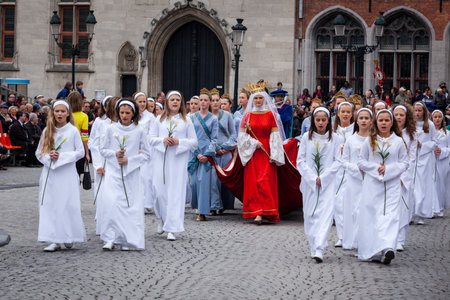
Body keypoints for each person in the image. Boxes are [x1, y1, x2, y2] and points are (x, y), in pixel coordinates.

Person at [357, 109, 408, 264]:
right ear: (376, 123)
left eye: (387, 120)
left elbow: (405, 163)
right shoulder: (369, 141)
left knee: (390, 215)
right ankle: (376, 250)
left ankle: (388, 247)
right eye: (381, 120)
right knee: (374, 215)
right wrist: (375, 169)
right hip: (372, 184)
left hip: (392, 184)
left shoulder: (399, 142)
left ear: (392, 123)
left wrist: (389, 170)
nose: (384, 123)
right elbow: (361, 161)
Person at [36, 100, 86, 252]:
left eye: (62, 111)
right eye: (57, 111)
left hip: (67, 173)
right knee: (51, 204)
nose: (59, 114)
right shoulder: (47, 131)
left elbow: (80, 152)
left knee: (67, 204)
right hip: (50, 173)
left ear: (68, 113)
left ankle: (68, 235)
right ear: (53, 112)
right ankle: (54, 238)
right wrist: (48, 156)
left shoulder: (72, 131)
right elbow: (39, 152)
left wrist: (62, 157)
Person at [100, 98, 149, 250]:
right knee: (112, 203)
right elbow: (103, 149)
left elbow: (147, 154)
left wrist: (129, 160)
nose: (124, 116)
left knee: (129, 206)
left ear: (133, 113)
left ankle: (126, 238)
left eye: (127, 113)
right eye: (122, 112)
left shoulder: (139, 130)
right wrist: (115, 154)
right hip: (114, 172)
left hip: (131, 174)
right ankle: (110, 237)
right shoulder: (111, 129)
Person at [149, 91, 198, 241]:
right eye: (172, 100)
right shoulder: (158, 120)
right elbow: (150, 139)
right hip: (161, 161)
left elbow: (194, 142)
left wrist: (179, 142)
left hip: (177, 161)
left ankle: (172, 227)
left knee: (174, 194)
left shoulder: (186, 121)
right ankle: (162, 219)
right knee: (159, 192)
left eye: (178, 100)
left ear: (181, 103)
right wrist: (163, 140)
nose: (175, 102)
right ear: (167, 102)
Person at [237, 81, 285, 225]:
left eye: (260, 98)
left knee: (265, 181)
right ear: (252, 100)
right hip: (253, 152)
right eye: (256, 98)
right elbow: (241, 137)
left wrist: (275, 155)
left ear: (265, 99)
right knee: (253, 183)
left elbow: (275, 136)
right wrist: (253, 143)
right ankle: (257, 212)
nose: (258, 101)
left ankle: (267, 211)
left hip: (266, 152)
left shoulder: (271, 115)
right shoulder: (247, 116)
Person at [297, 106, 340, 262]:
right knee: (310, 214)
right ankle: (313, 243)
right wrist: (311, 177)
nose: (321, 123)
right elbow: (300, 160)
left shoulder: (335, 139)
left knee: (325, 214)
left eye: (323, 120)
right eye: (318, 120)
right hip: (310, 183)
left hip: (327, 184)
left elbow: (338, 161)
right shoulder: (305, 138)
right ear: (313, 121)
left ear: (328, 121)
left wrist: (325, 177)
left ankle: (319, 247)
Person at [341, 108, 372, 250]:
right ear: (357, 120)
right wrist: (356, 168)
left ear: (371, 120)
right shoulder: (351, 140)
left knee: (364, 211)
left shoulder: (373, 140)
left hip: (370, 181)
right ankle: (353, 240)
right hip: (353, 181)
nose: (364, 121)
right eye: (361, 118)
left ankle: (364, 241)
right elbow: (344, 161)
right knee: (353, 211)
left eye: (367, 118)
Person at [189, 88, 219, 221]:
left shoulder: (213, 119)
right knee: (194, 182)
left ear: (210, 103)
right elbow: (189, 136)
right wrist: (196, 153)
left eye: (205, 100)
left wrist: (207, 154)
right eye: (200, 100)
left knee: (203, 182)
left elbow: (215, 138)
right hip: (195, 153)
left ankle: (202, 211)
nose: (202, 102)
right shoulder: (191, 118)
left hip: (207, 154)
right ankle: (196, 206)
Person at [88, 95, 116, 235]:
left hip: (115, 163)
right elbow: (93, 143)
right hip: (102, 162)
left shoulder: (121, 122)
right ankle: (101, 220)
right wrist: (98, 164)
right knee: (102, 191)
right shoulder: (99, 122)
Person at [392, 104, 416, 251]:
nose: (399, 117)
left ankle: (401, 238)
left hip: (405, 176)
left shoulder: (411, 134)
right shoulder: (389, 133)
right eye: (396, 115)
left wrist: (404, 176)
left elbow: (412, 158)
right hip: (391, 174)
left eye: (402, 115)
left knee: (404, 206)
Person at [333, 100, 355, 248]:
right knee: (339, 204)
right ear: (338, 113)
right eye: (343, 112)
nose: (345, 114)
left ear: (352, 114)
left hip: (352, 172)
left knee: (352, 205)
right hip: (338, 173)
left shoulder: (356, 131)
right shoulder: (333, 132)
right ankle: (341, 236)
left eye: (348, 112)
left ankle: (353, 235)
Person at [211, 89, 237, 212]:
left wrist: (225, 147)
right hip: (212, 152)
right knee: (213, 179)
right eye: (213, 101)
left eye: (218, 100)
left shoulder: (227, 116)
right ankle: (214, 205)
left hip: (226, 151)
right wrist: (216, 148)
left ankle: (225, 205)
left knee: (225, 178)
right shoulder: (207, 116)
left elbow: (233, 134)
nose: (216, 103)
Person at [413, 101, 437, 224]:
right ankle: (411, 213)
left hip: (425, 159)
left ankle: (421, 213)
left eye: (419, 110)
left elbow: (434, 141)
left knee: (423, 186)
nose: (417, 113)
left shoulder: (430, 125)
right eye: (415, 110)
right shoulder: (410, 124)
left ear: (424, 111)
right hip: (412, 159)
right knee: (412, 187)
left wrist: (423, 145)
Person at [134, 92, 156, 213]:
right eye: (140, 102)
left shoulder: (150, 117)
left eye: (144, 102)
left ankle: (147, 201)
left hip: (146, 150)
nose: (142, 104)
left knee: (146, 177)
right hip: (133, 151)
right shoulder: (132, 115)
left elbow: (151, 134)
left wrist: (144, 147)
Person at [66, 91, 90, 176]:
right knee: (77, 173)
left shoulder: (66, 115)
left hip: (66, 145)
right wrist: (87, 152)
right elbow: (84, 136)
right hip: (78, 147)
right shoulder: (83, 116)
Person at [431, 110, 449, 217]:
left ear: (442, 118)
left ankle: (441, 206)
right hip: (431, 161)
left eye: (439, 117)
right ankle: (433, 207)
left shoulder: (447, 134)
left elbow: (449, 148)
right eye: (435, 117)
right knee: (432, 183)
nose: (437, 119)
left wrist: (442, 151)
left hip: (443, 161)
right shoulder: (429, 133)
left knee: (441, 184)